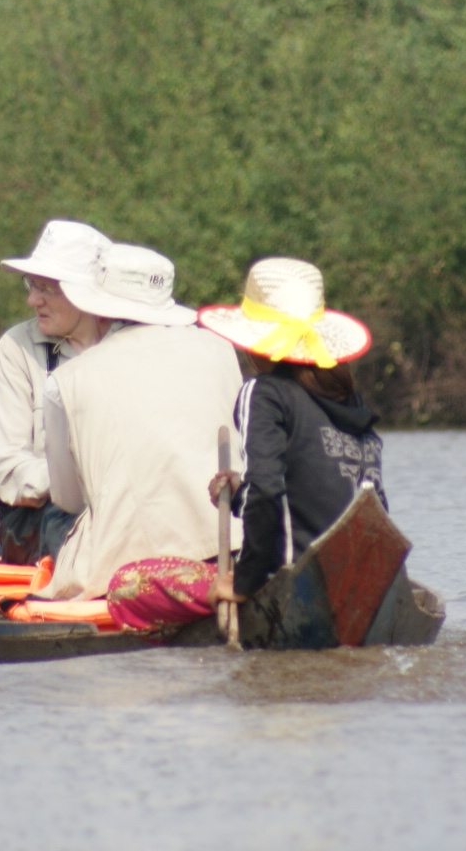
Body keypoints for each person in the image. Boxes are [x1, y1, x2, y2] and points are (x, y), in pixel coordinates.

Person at [33, 244, 245, 601]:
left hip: (129, 568)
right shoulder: (221, 349)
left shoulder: (65, 381)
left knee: (54, 520)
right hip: (230, 546)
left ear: (94, 308)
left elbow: (68, 499)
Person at [199, 257, 379, 608]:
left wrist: (244, 584)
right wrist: (240, 495)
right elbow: (332, 495)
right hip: (365, 581)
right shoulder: (350, 399)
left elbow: (267, 491)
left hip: (300, 584)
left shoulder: (263, 393)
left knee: (143, 585)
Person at [0, 219, 113, 565]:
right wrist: (82, 480)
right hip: (45, 521)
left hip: (123, 511)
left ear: (85, 293)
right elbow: (5, 467)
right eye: (31, 285)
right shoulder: (18, 347)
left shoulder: (131, 345)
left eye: (47, 288)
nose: (32, 299)